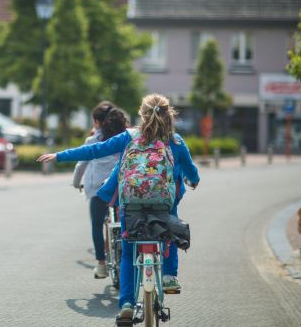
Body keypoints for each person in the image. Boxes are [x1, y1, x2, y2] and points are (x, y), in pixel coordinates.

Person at [37, 93, 200, 322]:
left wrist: (59, 155)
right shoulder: (176, 141)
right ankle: (169, 277)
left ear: (141, 114)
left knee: (129, 250)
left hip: (131, 202)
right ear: (168, 114)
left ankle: (126, 303)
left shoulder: (129, 136)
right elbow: (191, 171)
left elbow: (95, 150)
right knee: (170, 229)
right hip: (163, 202)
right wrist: (193, 180)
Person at [72, 101, 128, 279]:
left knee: (97, 225)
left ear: (97, 122)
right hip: (122, 188)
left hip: (98, 189)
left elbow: (81, 165)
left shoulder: (92, 141)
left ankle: (101, 265)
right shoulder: (125, 139)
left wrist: (76, 183)